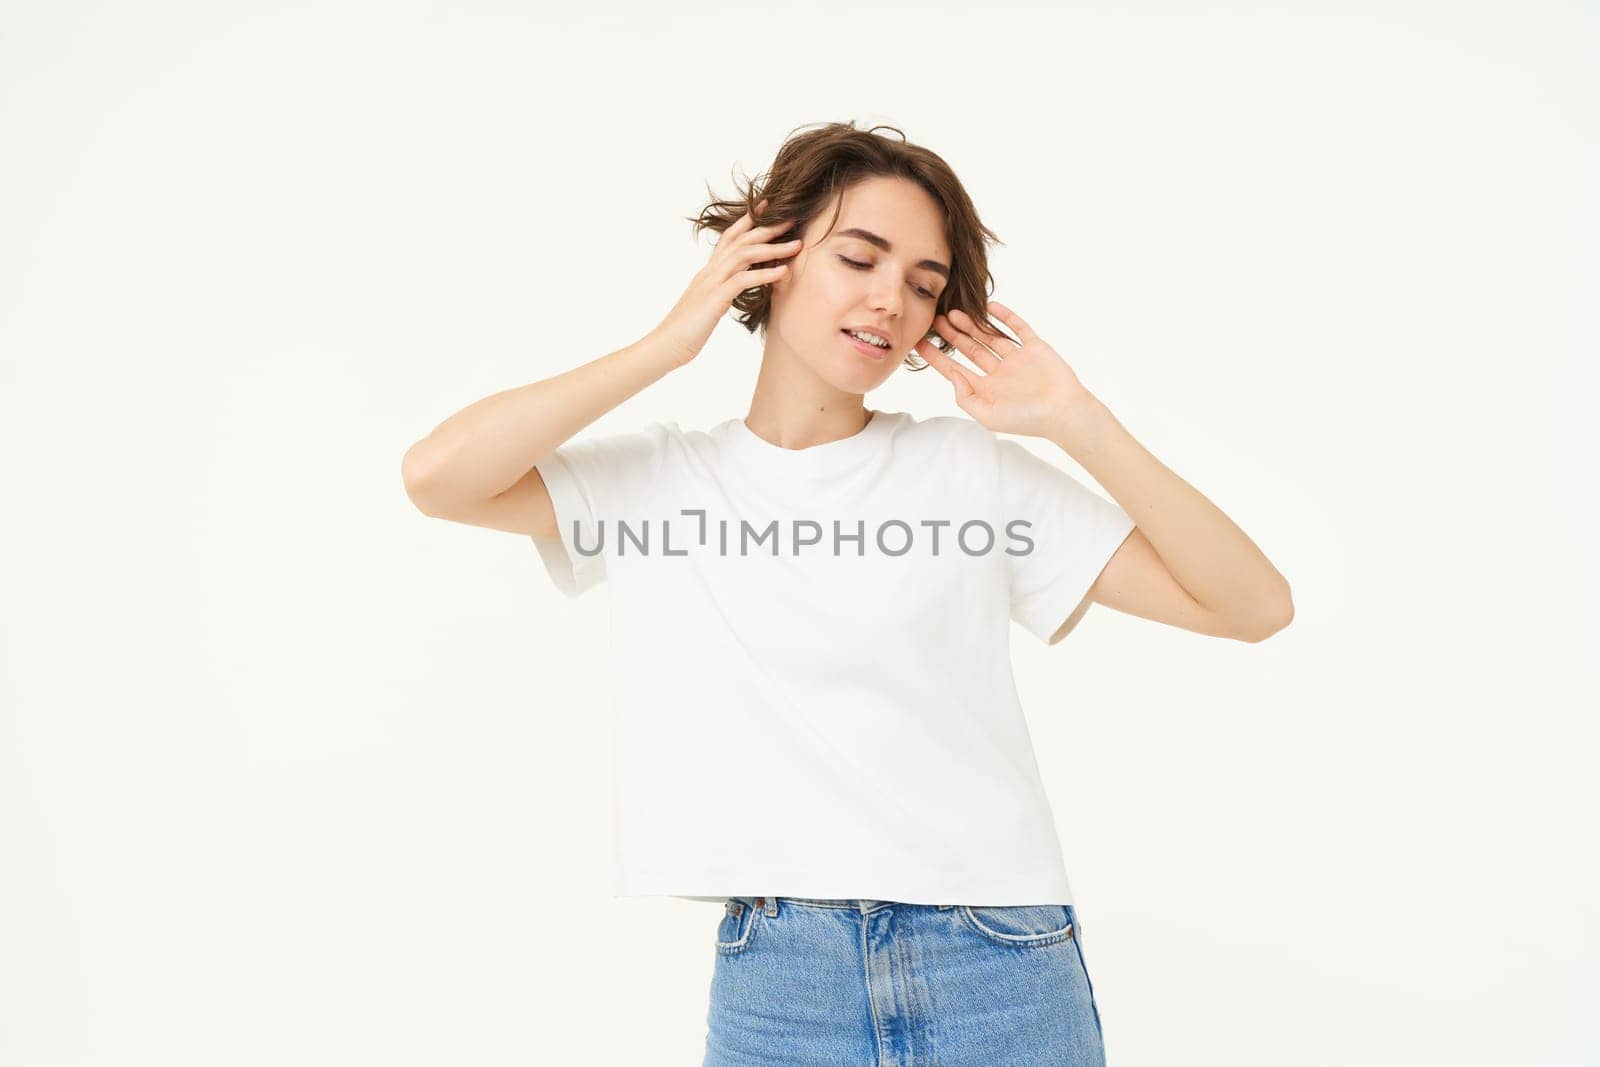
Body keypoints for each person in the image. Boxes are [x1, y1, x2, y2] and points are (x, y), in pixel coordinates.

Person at [401, 120, 1293, 1066]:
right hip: (781, 981)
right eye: (860, 258)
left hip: (996, 962)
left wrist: (1077, 422)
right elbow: (439, 476)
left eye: (922, 283)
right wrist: (669, 343)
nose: (890, 302)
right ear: (771, 255)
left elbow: (1250, 605)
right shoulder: (659, 482)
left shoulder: (965, 471)